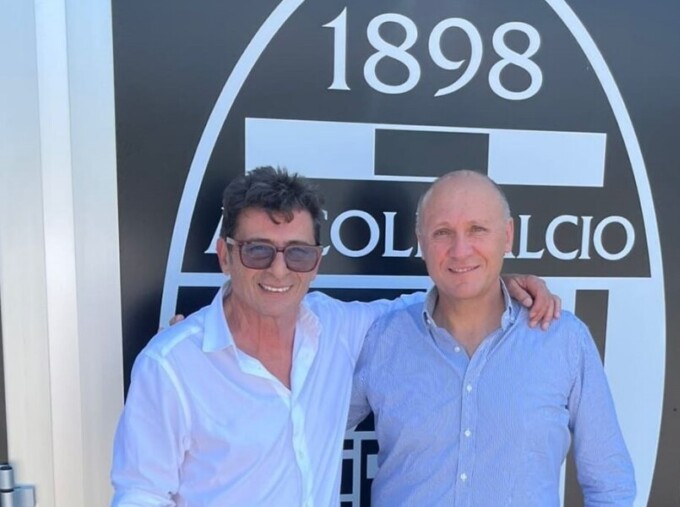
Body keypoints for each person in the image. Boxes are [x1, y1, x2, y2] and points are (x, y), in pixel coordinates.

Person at [110, 166, 559, 506]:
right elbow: (141, 494)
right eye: (258, 251)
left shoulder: (340, 329)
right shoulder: (171, 366)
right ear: (225, 256)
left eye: (298, 254)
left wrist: (495, 281)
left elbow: (444, 297)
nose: (279, 270)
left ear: (317, 263)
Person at [348, 170, 636, 506]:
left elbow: (610, 485)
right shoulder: (384, 339)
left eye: (477, 229)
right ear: (421, 242)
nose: (460, 250)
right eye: (442, 232)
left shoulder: (563, 340)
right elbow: (309, 434)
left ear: (508, 236)